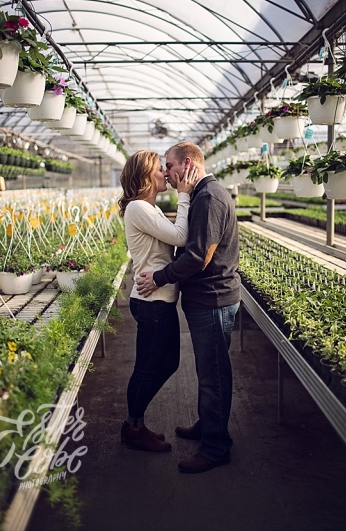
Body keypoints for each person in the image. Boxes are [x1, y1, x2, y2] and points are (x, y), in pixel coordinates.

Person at [136, 141, 240, 474]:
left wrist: (161, 277)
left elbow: (198, 256)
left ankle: (215, 447)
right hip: (206, 298)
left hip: (212, 298)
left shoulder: (208, 198)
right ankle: (208, 426)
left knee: (213, 375)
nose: (167, 171)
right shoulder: (202, 195)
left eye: (170, 165)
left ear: (189, 164)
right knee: (208, 371)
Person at [118, 150, 198, 453]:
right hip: (151, 302)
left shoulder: (146, 208)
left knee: (169, 363)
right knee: (147, 368)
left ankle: (135, 423)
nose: (166, 173)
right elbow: (180, 237)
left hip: (159, 300)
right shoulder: (139, 207)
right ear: (144, 176)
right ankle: (134, 427)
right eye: (159, 169)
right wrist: (184, 195)